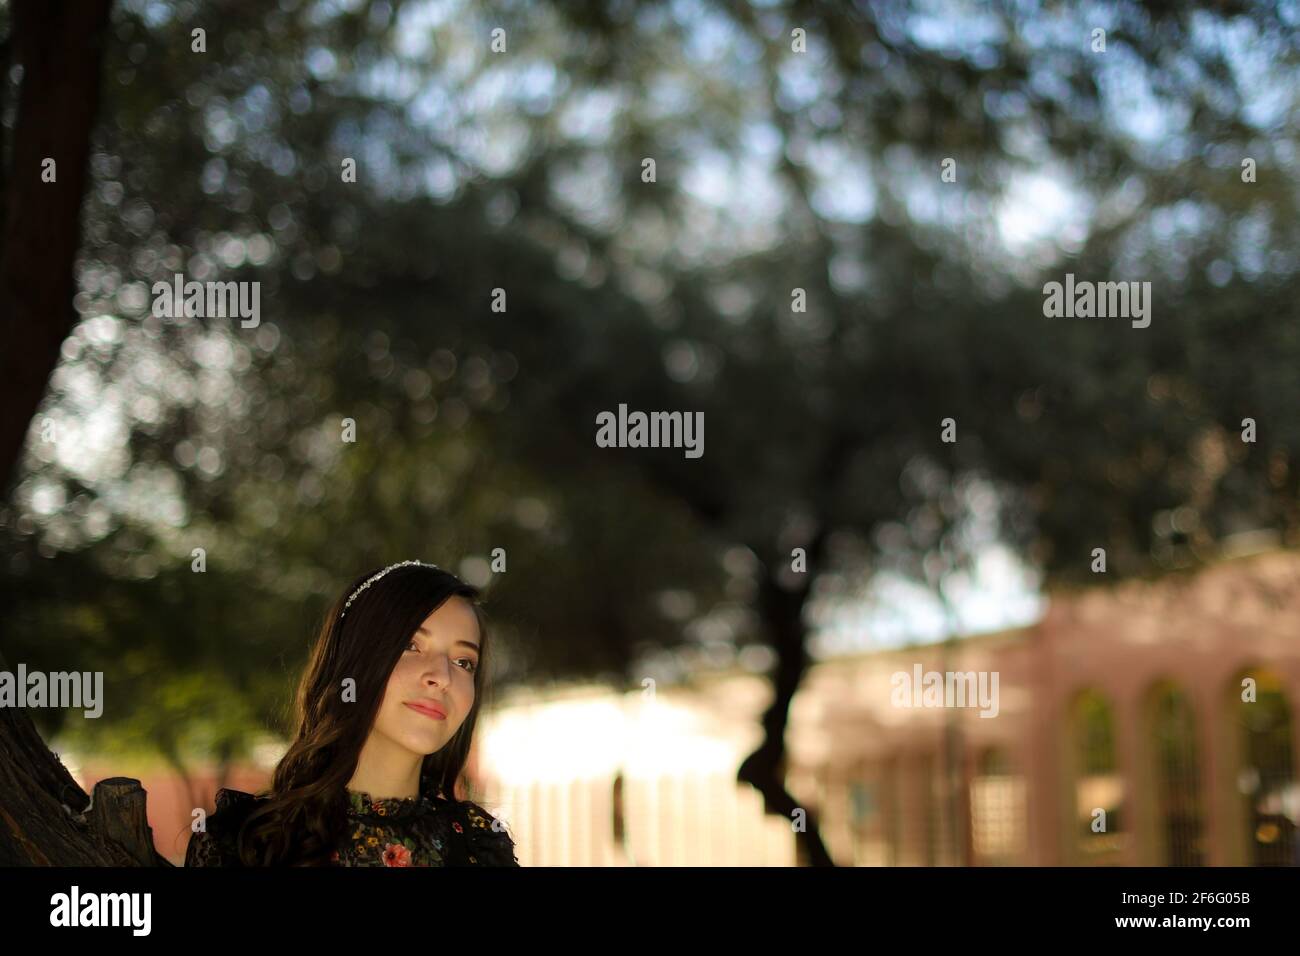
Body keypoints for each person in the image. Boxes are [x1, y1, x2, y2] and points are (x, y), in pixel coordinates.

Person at [186, 560, 519, 866]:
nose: (443, 677)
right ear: (355, 660)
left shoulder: (480, 846)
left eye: (464, 662)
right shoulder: (248, 843)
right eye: (411, 645)